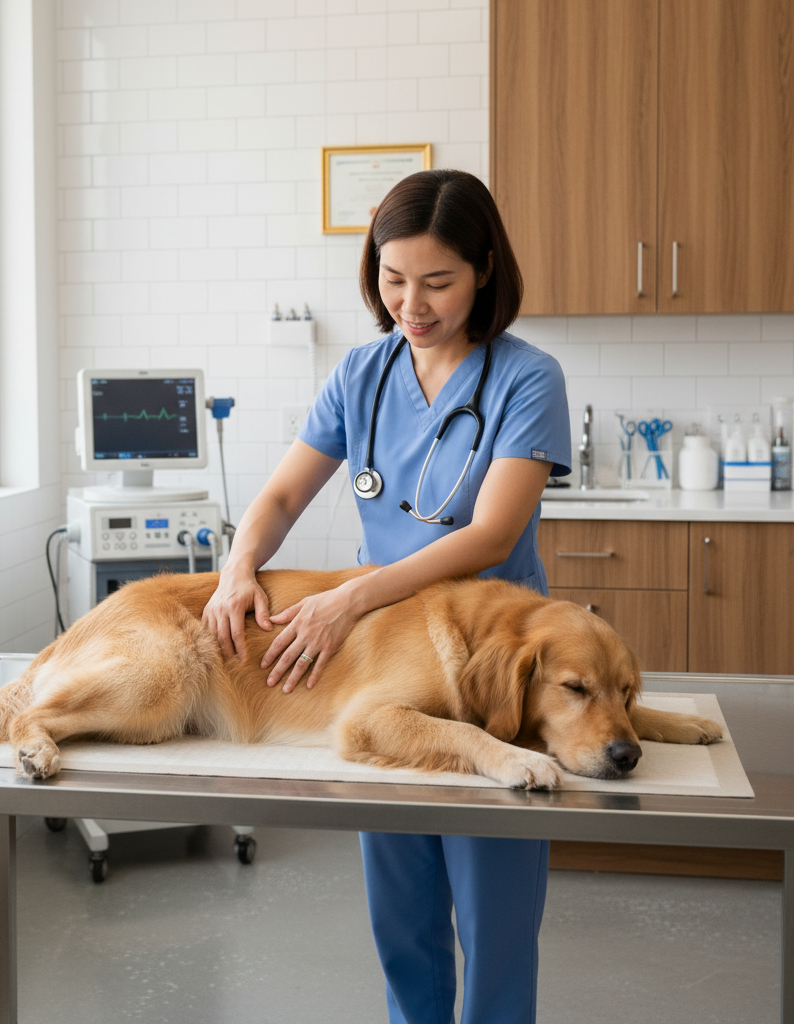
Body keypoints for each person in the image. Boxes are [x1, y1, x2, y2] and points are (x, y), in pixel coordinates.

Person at [202, 168, 571, 1024]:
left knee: (496, 922)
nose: (412, 302)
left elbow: (486, 535)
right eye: (392, 277)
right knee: (401, 918)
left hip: (493, 669)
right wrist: (238, 564)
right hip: (390, 673)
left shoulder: (526, 378)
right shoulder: (362, 373)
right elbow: (284, 495)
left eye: (437, 281)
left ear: (483, 267)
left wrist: (353, 596)